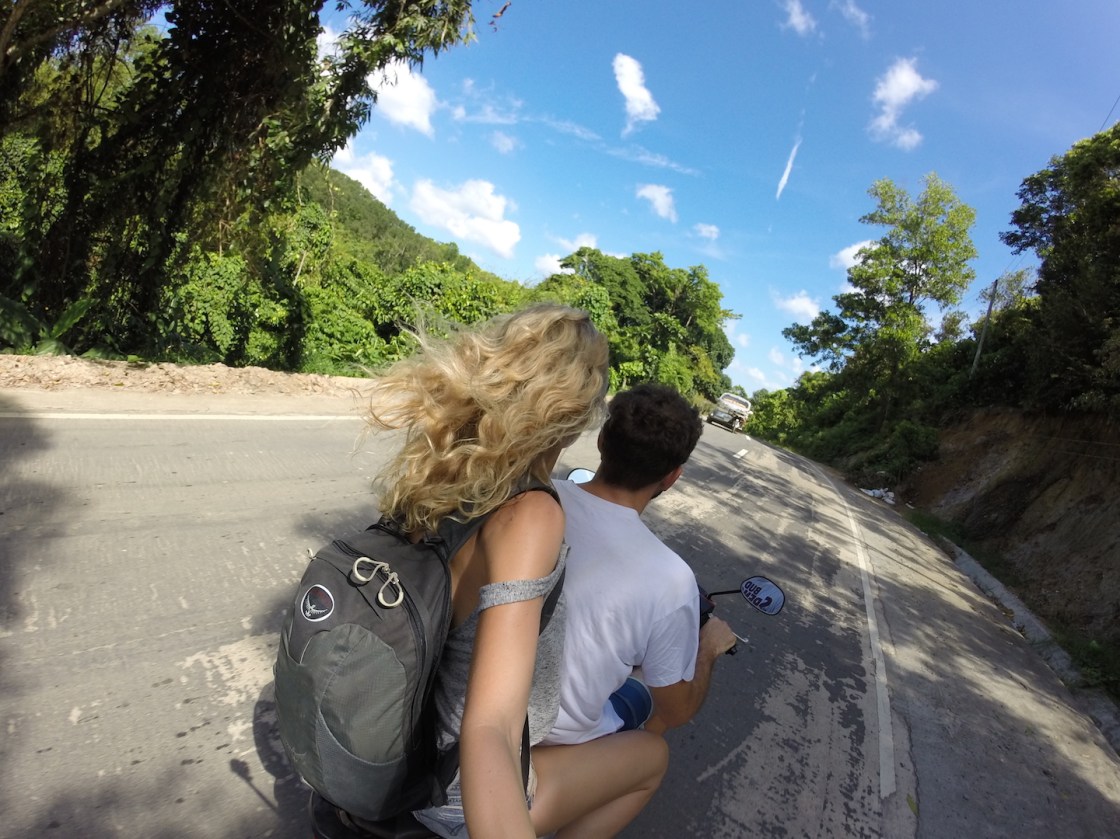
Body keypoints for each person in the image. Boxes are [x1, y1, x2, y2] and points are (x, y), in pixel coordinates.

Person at [361, 304, 668, 839]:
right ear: (577, 415)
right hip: (450, 791)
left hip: (394, 741)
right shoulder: (530, 514)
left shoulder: (442, 473)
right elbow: (493, 727)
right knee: (651, 757)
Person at [545, 383, 738, 747]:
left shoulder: (536, 495)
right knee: (655, 738)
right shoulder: (672, 580)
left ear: (601, 440)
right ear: (672, 477)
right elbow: (678, 711)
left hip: (476, 706)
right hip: (553, 739)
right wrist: (708, 649)